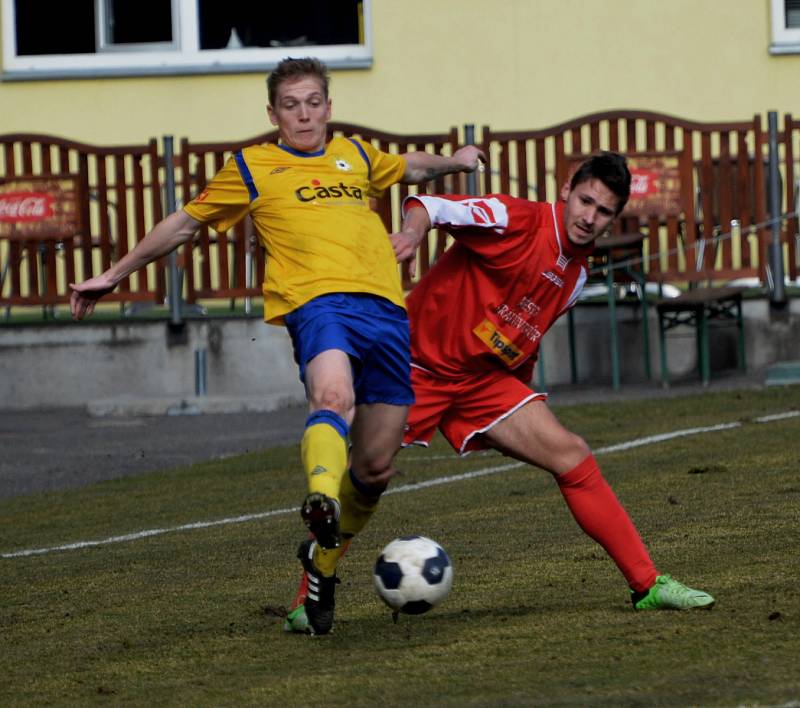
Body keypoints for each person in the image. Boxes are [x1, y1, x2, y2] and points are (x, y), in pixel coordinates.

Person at [69, 57, 484, 636]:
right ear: (273, 114)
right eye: (291, 105)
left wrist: (455, 162)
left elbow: (409, 167)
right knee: (332, 395)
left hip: (387, 311)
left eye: (313, 101)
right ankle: (321, 503)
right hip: (319, 305)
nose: (304, 113)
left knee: (376, 466)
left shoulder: (357, 155)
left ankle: (322, 561)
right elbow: (183, 224)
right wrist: (113, 276)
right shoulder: (252, 167)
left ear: (329, 107)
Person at [284, 151, 713, 632]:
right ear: (567, 192)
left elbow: (524, 340)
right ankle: (308, 595)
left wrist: (515, 403)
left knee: (571, 455)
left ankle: (647, 584)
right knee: (370, 475)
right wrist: (410, 233)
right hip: (414, 366)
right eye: (585, 201)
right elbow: (429, 204)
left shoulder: (575, 276)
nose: (590, 217)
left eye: (604, 211)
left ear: (614, 217)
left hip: (480, 382)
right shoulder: (514, 218)